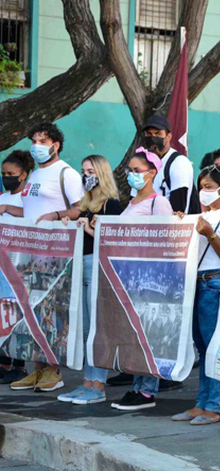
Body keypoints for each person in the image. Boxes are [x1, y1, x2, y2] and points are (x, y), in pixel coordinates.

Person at [11, 122, 83, 393]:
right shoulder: (34, 176)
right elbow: (30, 210)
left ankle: (53, 369)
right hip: (28, 255)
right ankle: (37, 368)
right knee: (32, 312)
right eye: (34, 140)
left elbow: (78, 209)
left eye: (43, 141)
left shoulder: (66, 174)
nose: (37, 145)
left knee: (51, 312)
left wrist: (56, 216)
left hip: (53, 254)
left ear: (56, 144)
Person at [170, 165, 220, 425]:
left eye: (209, 187)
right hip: (197, 283)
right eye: (202, 186)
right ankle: (201, 403)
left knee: (214, 347)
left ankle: (214, 405)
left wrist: (209, 233)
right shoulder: (202, 215)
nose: (204, 191)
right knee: (202, 348)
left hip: (215, 283)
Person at [110, 149, 174, 411]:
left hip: (149, 280)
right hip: (129, 278)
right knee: (134, 333)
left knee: (147, 334)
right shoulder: (133, 202)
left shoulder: (158, 203)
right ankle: (137, 385)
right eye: (130, 170)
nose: (131, 175)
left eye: (137, 170)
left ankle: (147, 390)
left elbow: (166, 240)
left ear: (151, 173)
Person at [56, 155, 122, 405]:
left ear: (102, 173)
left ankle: (98, 384)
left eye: (91, 171)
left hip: (97, 265)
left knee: (97, 328)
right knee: (85, 329)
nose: (86, 175)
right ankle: (87, 382)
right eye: (83, 171)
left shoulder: (111, 204)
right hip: (83, 265)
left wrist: (87, 229)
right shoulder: (87, 202)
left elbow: (112, 243)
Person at [0, 150, 34, 385]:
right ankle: (3, 362)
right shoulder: (2, 196)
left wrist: (9, 210)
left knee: (17, 314)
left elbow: (35, 216)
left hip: (20, 264)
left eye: (11, 174)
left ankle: (19, 365)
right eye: (3, 174)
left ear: (23, 175)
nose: (6, 177)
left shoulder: (28, 197)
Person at [139, 114, 198, 214]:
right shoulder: (141, 162)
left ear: (168, 136)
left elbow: (178, 206)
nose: (153, 138)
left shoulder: (178, 163)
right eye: (149, 134)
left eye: (158, 134)